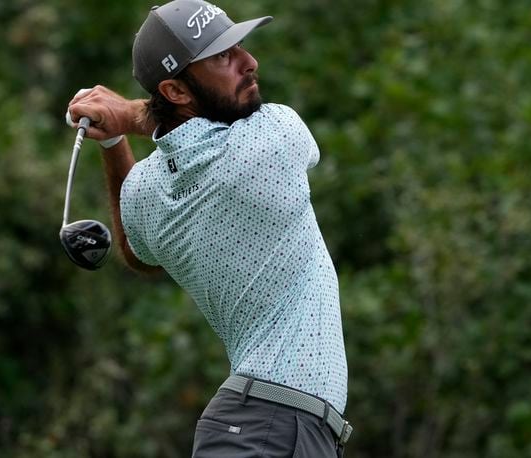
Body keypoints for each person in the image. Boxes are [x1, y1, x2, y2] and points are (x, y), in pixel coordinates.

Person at [66, 0, 351, 456]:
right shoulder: (273, 137)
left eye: (238, 46)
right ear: (176, 91)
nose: (249, 62)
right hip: (273, 426)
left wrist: (116, 140)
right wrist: (128, 118)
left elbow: (137, 253)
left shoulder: (144, 190)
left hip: (264, 425)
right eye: (223, 56)